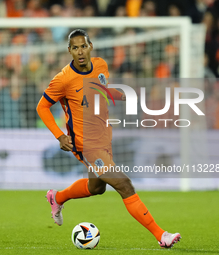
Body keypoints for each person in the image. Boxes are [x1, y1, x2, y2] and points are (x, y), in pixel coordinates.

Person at [36, 29, 181, 249]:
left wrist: (119, 95)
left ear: (90, 46)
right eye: (75, 48)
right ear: (69, 51)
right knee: (124, 185)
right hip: (85, 144)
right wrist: (59, 135)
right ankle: (162, 235)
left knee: (97, 188)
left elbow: (98, 91)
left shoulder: (101, 65)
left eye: (83, 46)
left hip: (104, 137)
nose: (80, 51)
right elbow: (42, 106)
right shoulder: (63, 79)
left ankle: (57, 197)